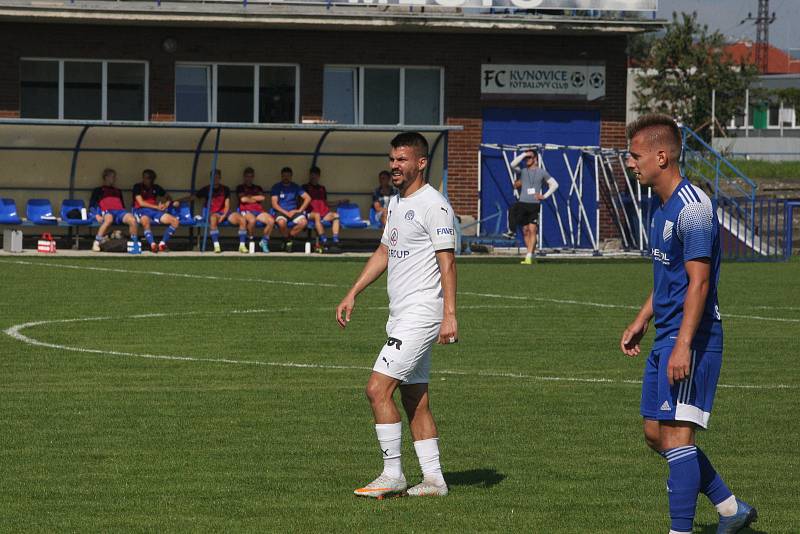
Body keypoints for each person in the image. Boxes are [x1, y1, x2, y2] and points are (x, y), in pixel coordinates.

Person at [620, 114, 756, 534]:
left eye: (635, 155)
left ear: (661, 156)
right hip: (668, 335)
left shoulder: (693, 208)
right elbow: (670, 275)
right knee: (654, 434)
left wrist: (682, 346)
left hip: (693, 339)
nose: (630, 163)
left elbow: (698, 285)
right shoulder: (661, 208)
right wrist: (644, 318)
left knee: (679, 439)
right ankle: (731, 509)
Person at [336, 132, 457, 499]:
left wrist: (450, 314)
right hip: (400, 312)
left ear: (421, 162)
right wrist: (353, 292)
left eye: (402, 159)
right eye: (392, 159)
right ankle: (434, 481)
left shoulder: (434, 205)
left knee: (376, 389)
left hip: (422, 313)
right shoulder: (397, 202)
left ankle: (393, 475)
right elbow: (385, 252)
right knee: (414, 397)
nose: (394, 166)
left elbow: (447, 262)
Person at [502, 149, 558, 265]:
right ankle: (529, 252)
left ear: (535, 159)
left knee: (533, 230)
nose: (527, 160)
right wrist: (523, 154)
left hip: (534, 205)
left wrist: (544, 196)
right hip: (522, 203)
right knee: (525, 230)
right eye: (526, 158)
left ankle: (528, 257)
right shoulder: (522, 171)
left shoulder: (542, 172)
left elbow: (554, 184)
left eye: (529, 157)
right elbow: (512, 164)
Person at [175, 169, 244, 254]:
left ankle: (242, 245)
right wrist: (178, 200)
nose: (215, 179)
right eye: (213, 177)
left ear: (220, 178)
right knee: (213, 218)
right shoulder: (206, 189)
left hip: (225, 213)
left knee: (241, 219)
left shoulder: (225, 189)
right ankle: (216, 245)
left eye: (217, 177)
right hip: (213, 214)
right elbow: (192, 197)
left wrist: (224, 215)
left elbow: (227, 205)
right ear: (210, 178)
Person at [89, 168, 139, 252]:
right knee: (108, 220)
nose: (114, 179)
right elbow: (91, 205)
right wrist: (96, 215)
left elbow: (122, 205)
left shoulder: (118, 191)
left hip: (120, 212)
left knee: (132, 220)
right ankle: (96, 242)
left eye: (114, 177)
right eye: (112, 176)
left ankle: (134, 244)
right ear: (106, 177)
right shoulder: (98, 190)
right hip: (108, 211)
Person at [132, 169, 180, 253]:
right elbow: (141, 203)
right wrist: (157, 207)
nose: (144, 179)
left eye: (147, 178)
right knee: (145, 221)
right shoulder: (137, 187)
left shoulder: (156, 187)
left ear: (152, 179)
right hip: (141, 210)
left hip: (154, 211)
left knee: (175, 221)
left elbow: (168, 197)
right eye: (144, 177)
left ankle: (162, 244)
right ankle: (153, 245)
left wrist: (166, 204)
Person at [229, 167, 275, 254]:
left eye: (250, 176)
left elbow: (262, 198)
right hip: (246, 211)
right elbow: (243, 199)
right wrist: (255, 198)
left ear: (253, 177)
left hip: (259, 211)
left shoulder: (257, 187)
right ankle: (250, 239)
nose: (249, 178)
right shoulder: (240, 187)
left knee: (271, 221)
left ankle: (264, 242)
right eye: (247, 176)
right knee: (252, 220)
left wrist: (250, 198)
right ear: (244, 177)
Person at [270, 166, 311, 252]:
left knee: (304, 222)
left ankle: (288, 239)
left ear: (291, 176)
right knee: (281, 223)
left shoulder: (295, 186)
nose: (286, 178)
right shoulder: (276, 187)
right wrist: (285, 212)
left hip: (293, 211)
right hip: (281, 211)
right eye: (284, 176)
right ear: (281, 176)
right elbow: (274, 204)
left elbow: (308, 198)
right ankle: (287, 241)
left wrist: (299, 210)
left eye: (288, 176)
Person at [303, 165, 341, 253]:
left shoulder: (322, 188)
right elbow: (301, 202)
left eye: (315, 175)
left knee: (336, 215)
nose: (313, 177)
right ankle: (324, 240)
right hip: (310, 214)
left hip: (323, 213)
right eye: (312, 175)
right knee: (317, 216)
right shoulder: (305, 187)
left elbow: (326, 202)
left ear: (319, 176)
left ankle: (335, 240)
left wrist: (339, 201)